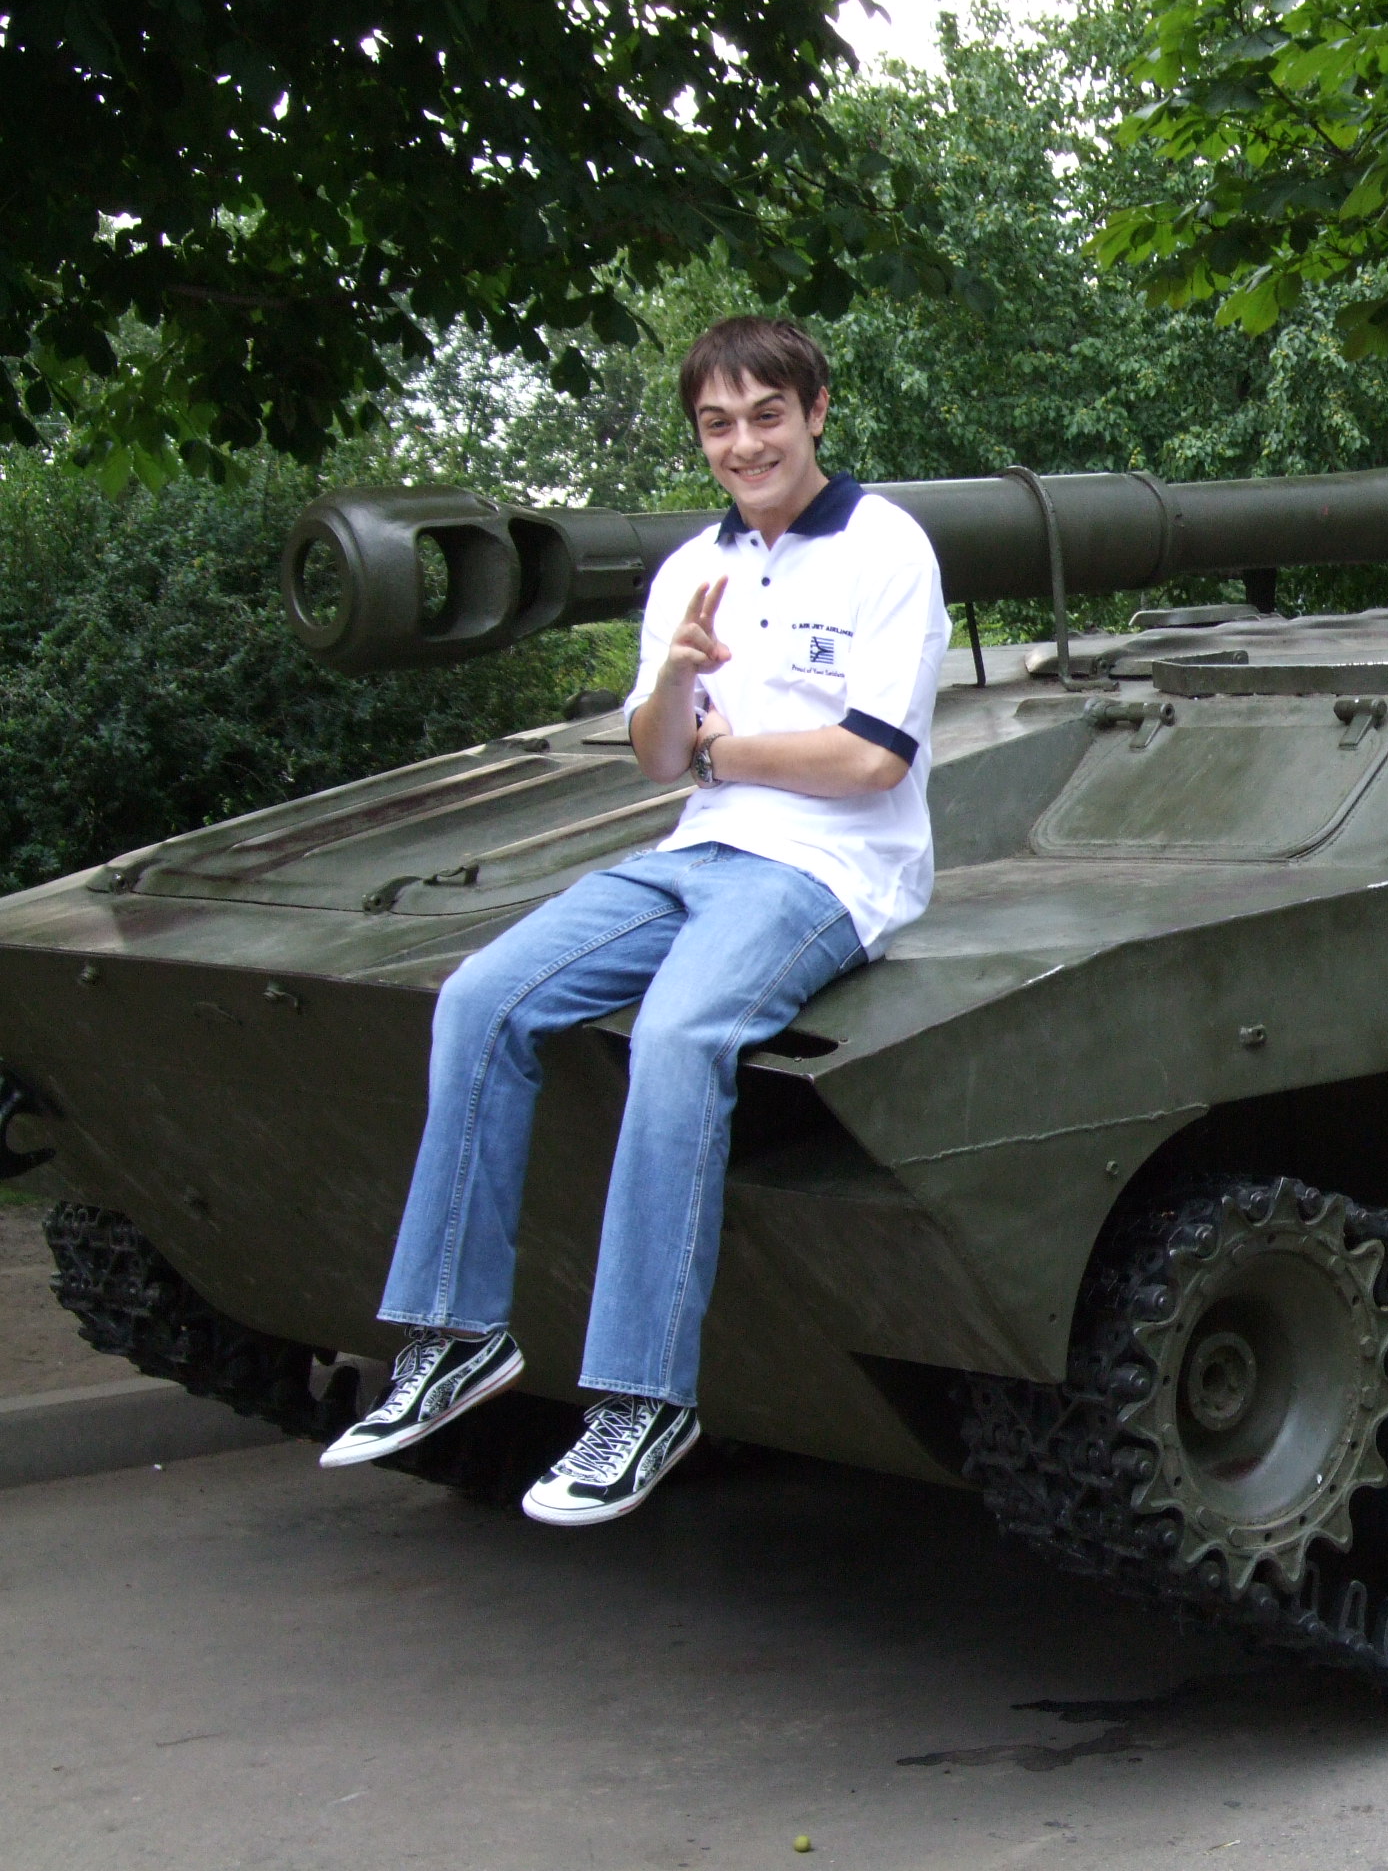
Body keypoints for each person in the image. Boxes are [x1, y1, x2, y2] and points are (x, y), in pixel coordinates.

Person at [318, 317, 947, 1524]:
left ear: (817, 411)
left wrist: (720, 747)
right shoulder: (690, 570)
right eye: (718, 423)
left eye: (767, 414)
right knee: (482, 999)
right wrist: (673, 681)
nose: (744, 443)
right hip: (695, 851)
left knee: (676, 1036)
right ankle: (457, 1335)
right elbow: (660, 759)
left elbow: (870, 761)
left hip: (829, 868)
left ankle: (643, 1396)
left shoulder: (886, 547)